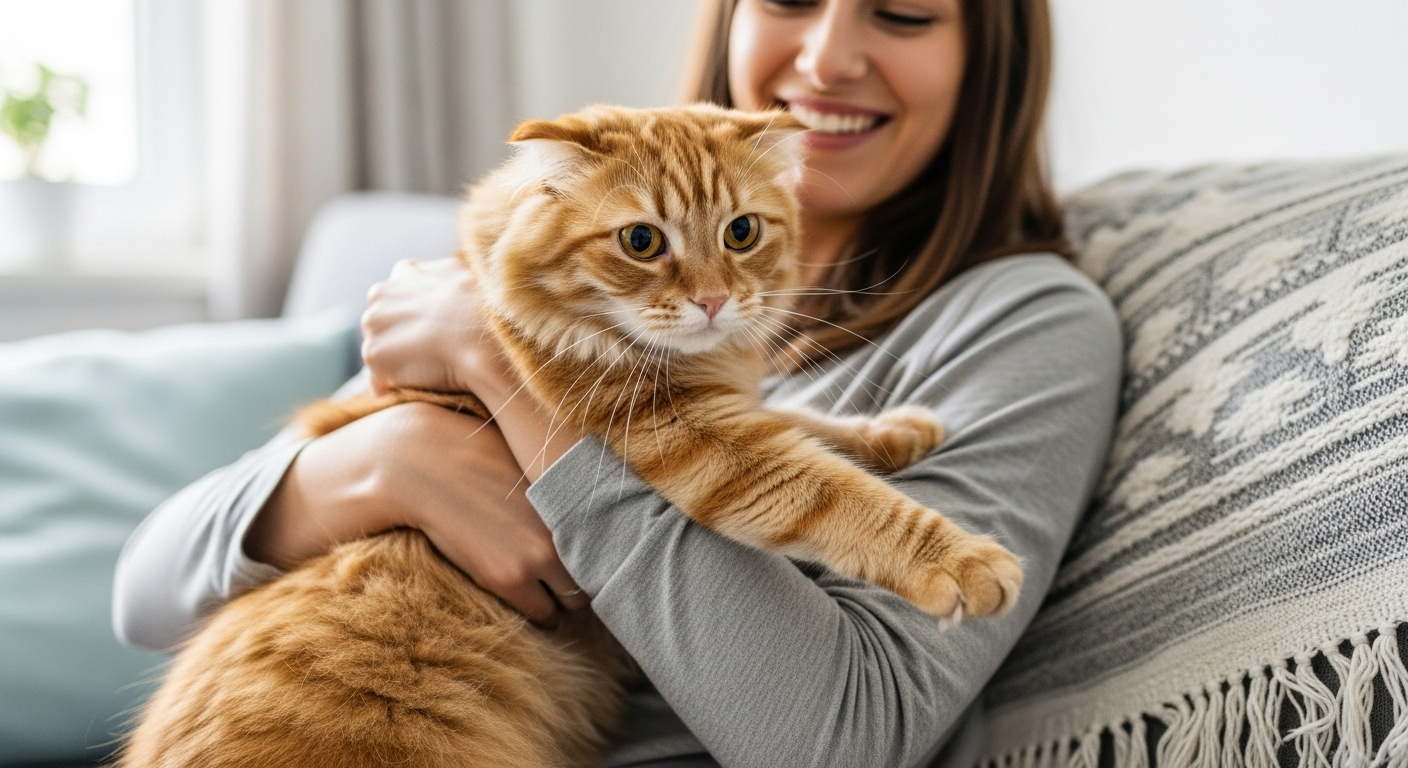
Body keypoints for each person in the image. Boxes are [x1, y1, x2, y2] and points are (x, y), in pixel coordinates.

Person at [113, 1, 1121, 766]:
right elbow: (147, 586)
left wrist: (495, 373)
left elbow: (840, 735)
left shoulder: (1022, 321)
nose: (827, 57)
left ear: (991, 51)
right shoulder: (559, 275)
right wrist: (386, 460)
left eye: (902, 11)